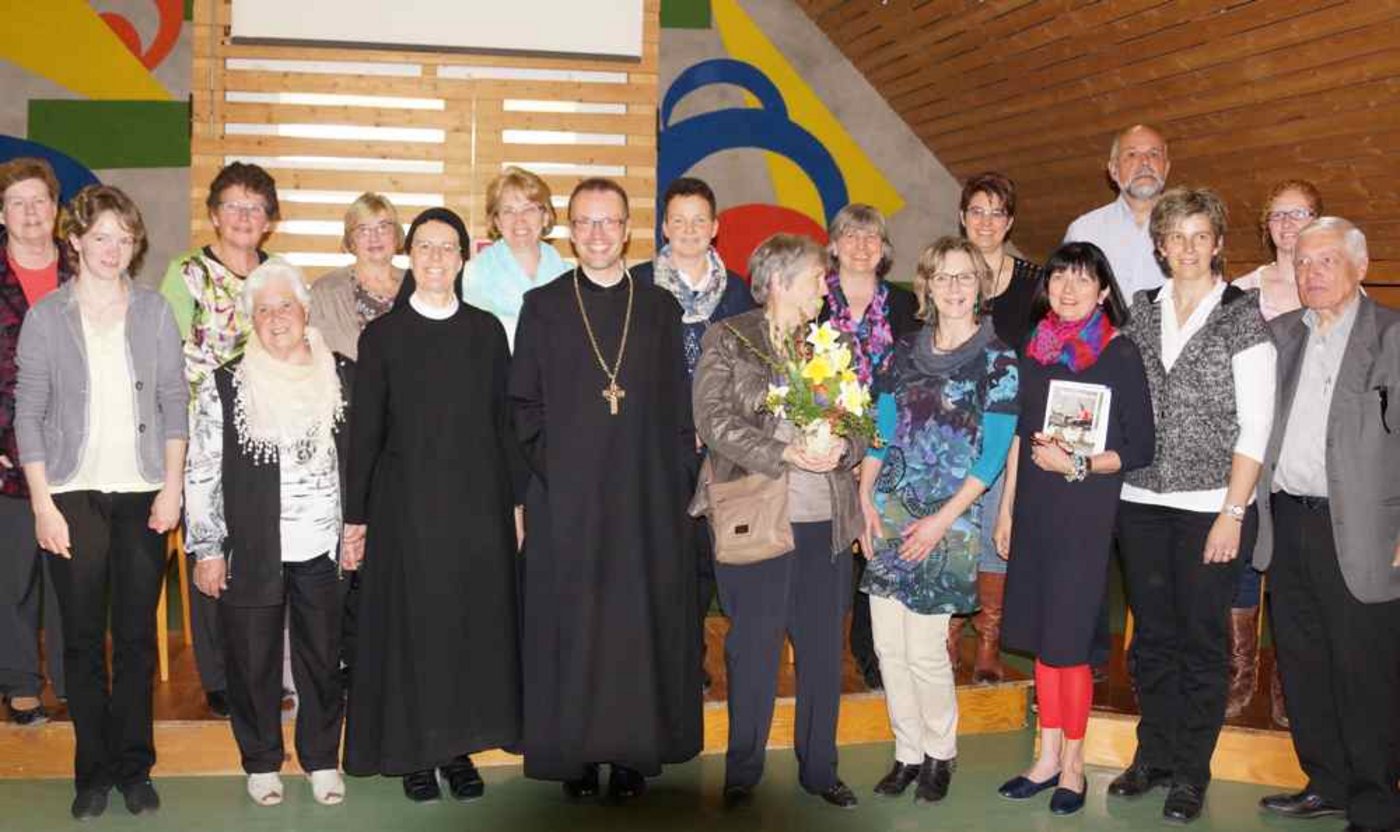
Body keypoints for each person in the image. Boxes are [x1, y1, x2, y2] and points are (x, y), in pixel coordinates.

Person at [510, 178, 701, 802]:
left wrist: (673, 490)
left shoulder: (658, 310)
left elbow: (679, 413)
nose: (597, 234)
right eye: (585, 223)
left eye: (608, 222)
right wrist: (558, 475)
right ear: (570, 230)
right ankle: (574, 755)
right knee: (573, 626)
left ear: (626, 231)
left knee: (632, 628)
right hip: (564, 500)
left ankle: (628, 754)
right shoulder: (542, 307)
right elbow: (524, 406)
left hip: (643, 502)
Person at [15, 185, 187, 819]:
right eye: (103, 237)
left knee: (137, 638)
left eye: (125, 238)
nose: (115, 249)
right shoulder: (47, 317)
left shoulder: (153, 312)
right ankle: (91, 773)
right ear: (77, 241)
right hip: (70, 494)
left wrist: (172, 488)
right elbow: (27, 413)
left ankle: (134, 767)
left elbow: (174, 402)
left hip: (143, 492)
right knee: (83, 641)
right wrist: (41, 503)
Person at [342, 208, 522, 803]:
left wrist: (516, 505)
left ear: (465, 258)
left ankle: (457, 749)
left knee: (465, 628)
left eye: (448, 247)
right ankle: (415, 754)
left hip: (476, 510)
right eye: (425, 247)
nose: (437, 258)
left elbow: (505, 427)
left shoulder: (486, 333)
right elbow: (364, 434)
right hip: (404, 512)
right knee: (412, 629)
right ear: (409, 256)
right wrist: (356, 517)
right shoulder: (383, 338)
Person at [1110, 187, 1276, 824]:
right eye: (1175, 236)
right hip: (1141, 500)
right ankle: (1152, 754)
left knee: (1203, 642)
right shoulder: (1140, 311)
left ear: (1217, 244)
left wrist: (1233, 513)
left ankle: (1190, 771)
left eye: (1199, 236)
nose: (1186, 248)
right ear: (1159, 246)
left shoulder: (1242, 315)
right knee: (1152, 638)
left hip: (1213, 506)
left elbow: (1256, 425)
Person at [692, 233, 864, 810]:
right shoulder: (731, 337)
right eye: (818, 277)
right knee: (754, 649)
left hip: (825, 524)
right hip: (758, 518)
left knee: (821, 652)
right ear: (783, 281)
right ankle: (743, 771)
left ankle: (821, 770)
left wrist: (844, 448)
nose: (826, 287)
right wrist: (784, 453)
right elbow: (712, 419)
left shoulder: (832, 341)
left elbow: (863, 426)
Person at [994, 242, 1154, 816]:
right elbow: (1019, 436)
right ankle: (1045, 755)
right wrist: (1008, 509)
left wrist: (1081, 465)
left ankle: (1075, 766)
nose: (1067, 289)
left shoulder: (1119, 354)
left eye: (1082, 280)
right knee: (1042, 635)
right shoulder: (1033, 351)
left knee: (1069, 643)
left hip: (1085, 515)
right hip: (1035, 508)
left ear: (1103, 291)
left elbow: (1140, 446)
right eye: (1060, 277)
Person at [858, 236, 1018, 805]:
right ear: (925, 285)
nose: (953, 287)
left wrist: (941, 522)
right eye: (943, 277)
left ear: (981, 286)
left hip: (949, 522)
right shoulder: (901, 350)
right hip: (891, 512)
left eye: (965, 277)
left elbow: (993, 455)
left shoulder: (998, 360)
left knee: (926, 650)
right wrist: (864, 494)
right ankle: (905, 752)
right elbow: (881, 427)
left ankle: (939, 753)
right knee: (888, 647)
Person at [186, 259, 352, 808]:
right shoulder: (226, 383)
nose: (277, 317)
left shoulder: (342, 374)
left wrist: (358, 525)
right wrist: (207, 548)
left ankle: (323, 759)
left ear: (305, 311)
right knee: (252, 658)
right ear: (250, 320)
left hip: (324, 545)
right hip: (253, 547)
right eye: (264, 310)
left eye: (286, 306)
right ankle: (260, 762)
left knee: (323, 659)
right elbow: (204, 469)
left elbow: (361, 459)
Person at [1252, 218, 1400, 832]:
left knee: (1364, 669)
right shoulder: (1281, 334)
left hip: (1366, 530)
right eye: (1304, 263)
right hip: (1288, 521)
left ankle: (1375, 804)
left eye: (1327, 262)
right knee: (1303, 659)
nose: (1312, 273)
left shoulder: (1392, 334)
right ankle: (1327, 781)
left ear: (1359, 268)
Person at [160, 161, 280, 719]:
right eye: (232, 205)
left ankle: (258, 669)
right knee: (210, 550)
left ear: (269, 220)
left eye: (255, 207)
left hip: (265, 436)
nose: (243, 216)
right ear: (213, 214)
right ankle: (219, 677)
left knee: (259, 556)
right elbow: (164, 359)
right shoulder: (184, 273)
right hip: (201, 435)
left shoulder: (278, 275)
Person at [633, 176, 755, 691]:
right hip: (657, 447)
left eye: (698, 221)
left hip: (723, 450)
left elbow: (755, 371)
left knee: (712, 556)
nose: (688, 230)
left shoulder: (742, 294)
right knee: (661, 555)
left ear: (715, 227)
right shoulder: (636, 285)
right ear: (664, 226)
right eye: (678, 220)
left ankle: (701, 653)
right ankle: (665, 655)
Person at [1227, 179, 1324, 726]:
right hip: (1251, 445)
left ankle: (1293, 684)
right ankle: (1241, 676)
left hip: (1304, 451)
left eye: (1301, 213)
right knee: (1242, 554)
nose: (1288, 223)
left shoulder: (1330, 287)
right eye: (1279, 214)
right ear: (1266, 224)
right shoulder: (1241, 291)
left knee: (1291, 565)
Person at [949, 171, 1044, 683]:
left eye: (997, 212)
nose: (987, 222)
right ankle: (947, 637)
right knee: (951, 531)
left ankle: (987, 642)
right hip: (951, 429)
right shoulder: (945, 269)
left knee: (995, 534)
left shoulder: (1034, 282)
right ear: (963, 217)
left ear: (1010, 221)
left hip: (1007, 426)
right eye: (977, 211)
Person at [822, 203, 920, 692]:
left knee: (875, 550)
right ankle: (820, 649)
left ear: (883, 250)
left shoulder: (904, 307)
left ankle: (871, 652)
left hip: (888, 444)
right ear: (834, 244)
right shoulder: (813, 299)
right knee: (827, 549)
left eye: (872, 238)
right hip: (824, 444)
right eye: (852, 236)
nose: (862, 246)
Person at [0, 157, 69, 725]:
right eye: (17, 202)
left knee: (74, 571)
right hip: (7, 452)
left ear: (56, 209)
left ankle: (74, 679)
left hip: (79, 451)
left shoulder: (85, 271)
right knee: (15, 571)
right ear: (2, 213)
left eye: (39, 201)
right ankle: (22, 682)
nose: (29, 212)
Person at [461, 165, 567, 349]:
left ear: (545, 217)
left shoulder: (568, 275)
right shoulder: (475, 273)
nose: (520, 220)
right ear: (497, 221)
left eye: (529, 209)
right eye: (509, 211)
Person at [1064, 124, 1171, 302]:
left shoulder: (1192, 232)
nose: (1145, 162)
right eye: (1132, 155)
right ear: (1113, 170)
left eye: (1154, 154)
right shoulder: (1083, 232)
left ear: (1166, 168)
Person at [309, 192, 406, 360]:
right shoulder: (324, 292)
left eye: (383, 227)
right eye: (363, 230)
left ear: (396, 235)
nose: (375, 237)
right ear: (351, 241)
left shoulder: (420, 285)